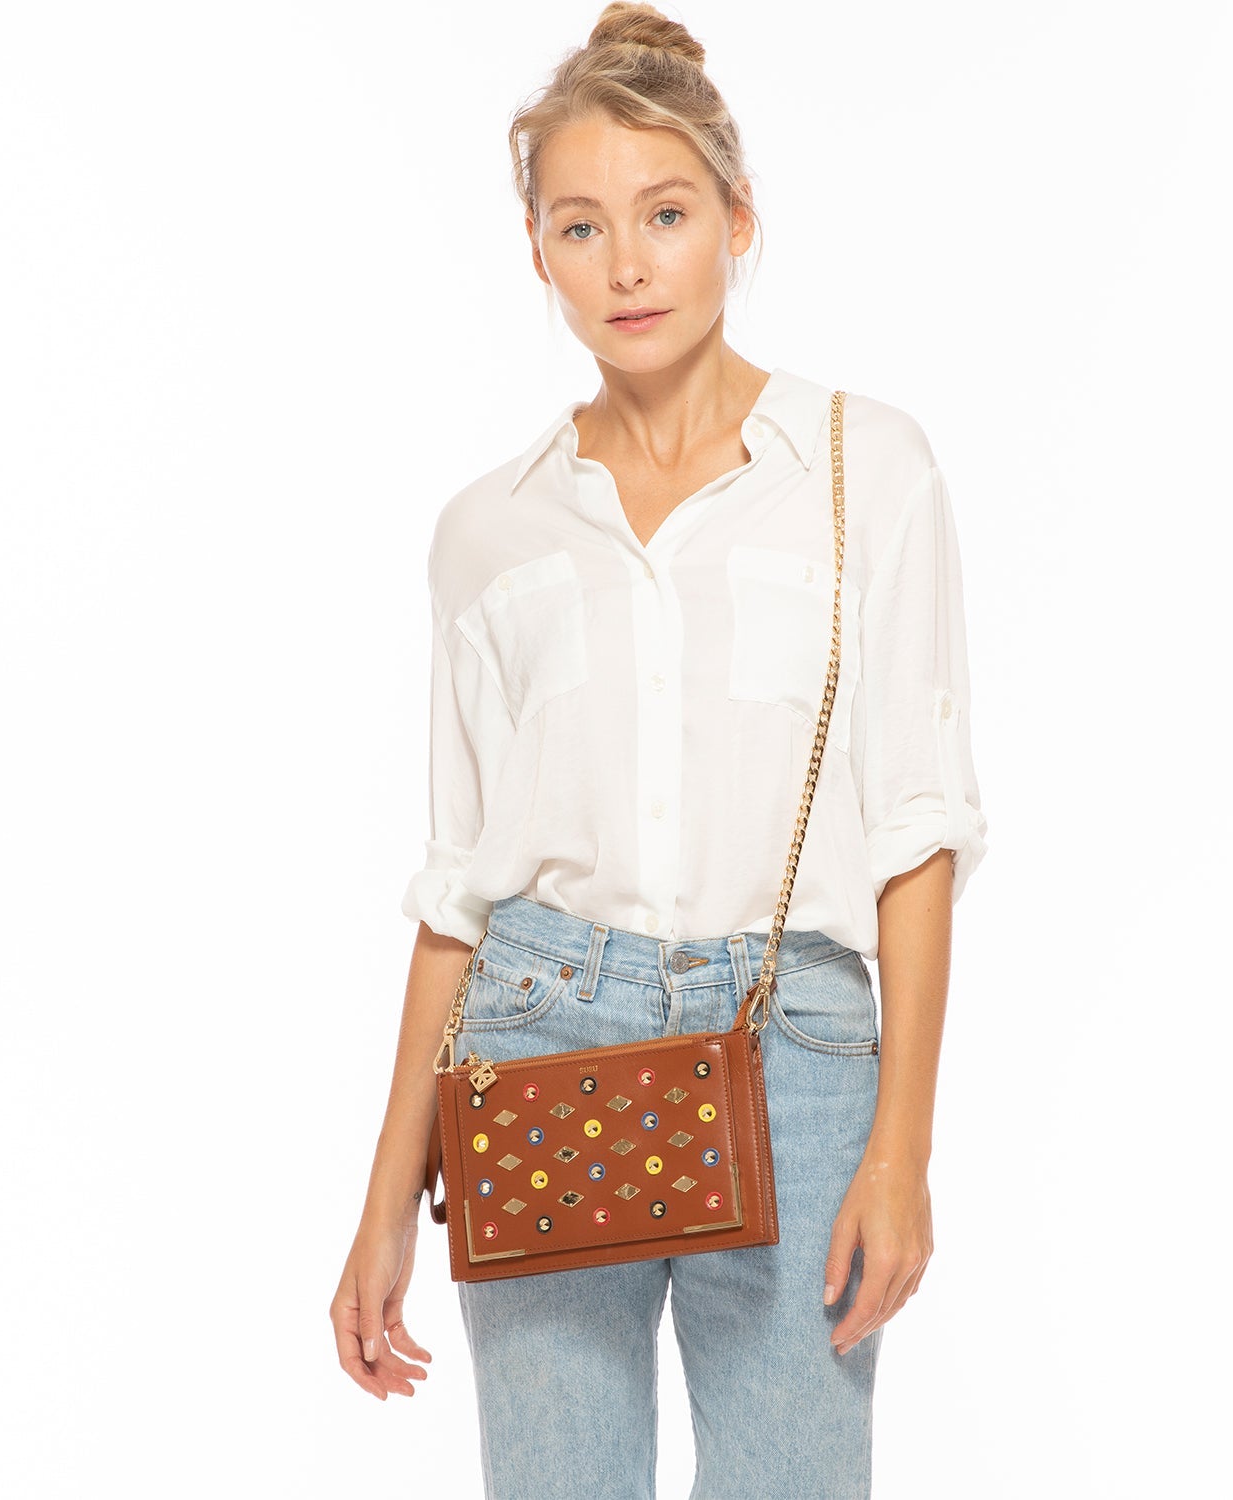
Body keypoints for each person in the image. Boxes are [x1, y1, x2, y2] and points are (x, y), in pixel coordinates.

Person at [330, 5, 988, 1496]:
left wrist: (902, 1150)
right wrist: (384, 1201)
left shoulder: (866, 469)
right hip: (535, 1039)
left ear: (737, 220)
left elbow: (921, 829)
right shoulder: (487, 530)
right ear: (537, 251)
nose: (625, 264)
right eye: (581, 226)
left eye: (666, 214)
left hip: (797, 1052)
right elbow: (458, 889)